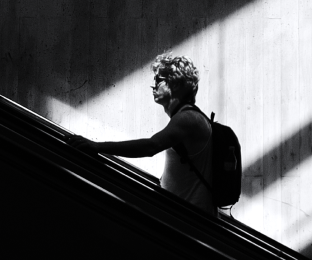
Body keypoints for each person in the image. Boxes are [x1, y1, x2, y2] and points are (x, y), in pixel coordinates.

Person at [67, 53, 215, 215]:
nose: (153, 86)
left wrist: (96, 146)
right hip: (187, 215)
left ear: (177, 84)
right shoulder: (190, 118)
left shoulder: (187, 119)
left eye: (159, 80)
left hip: (191, 221)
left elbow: (150, 146)